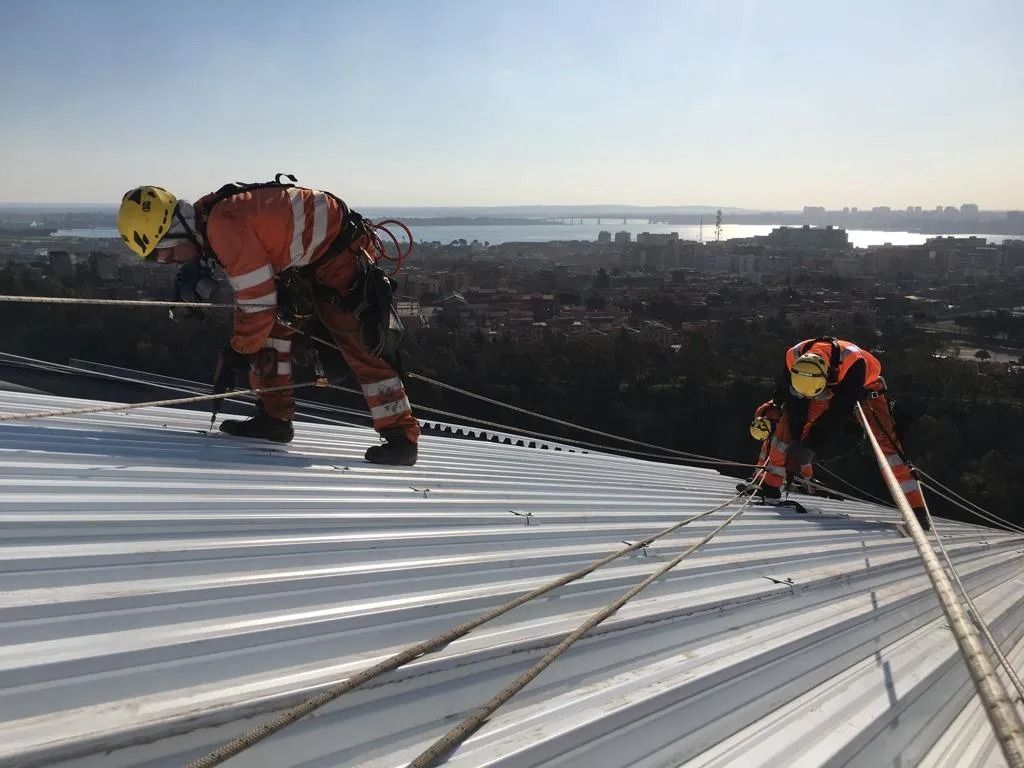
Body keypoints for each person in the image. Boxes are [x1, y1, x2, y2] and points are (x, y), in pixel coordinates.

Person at [116, 180, 419, 465]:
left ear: (177, 231)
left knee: (359, 344)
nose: (169, 262)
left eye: (165, 254)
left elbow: (256, 303)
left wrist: (238, 351)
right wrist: (245, 345)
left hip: (337, 254)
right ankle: (274, 420)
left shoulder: (222, 226)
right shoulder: (209, 217)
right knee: (271, 333)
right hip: (308, 258)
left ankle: (401, 437)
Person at [740, 336, 929, 530]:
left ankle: (915, 509)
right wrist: (797, 440)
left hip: (865, 388)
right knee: (786, 425)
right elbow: (795, 403)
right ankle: (770, 486)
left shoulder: (854, 363)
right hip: (821, 386)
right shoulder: (793, 357)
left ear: (827, 374)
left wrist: (808, 446)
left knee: (888, 446)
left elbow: (838, 413)